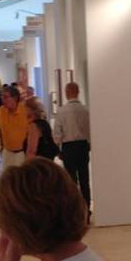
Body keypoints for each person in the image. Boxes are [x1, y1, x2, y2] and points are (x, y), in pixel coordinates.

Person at [53, 82, 91, 211]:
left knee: (71, 180)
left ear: (66, 93)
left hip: (68, 147)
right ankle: (86, 209)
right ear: (78, 92)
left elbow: (57, 133)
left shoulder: (61, 111)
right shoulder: (85, 110)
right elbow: (90, 130)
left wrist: (59, 148)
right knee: (84, 179)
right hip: (83, 146)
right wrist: (89, 144)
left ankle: (75, 210)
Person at [0, 85, 28, 169]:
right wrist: (1, 147)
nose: (2, 100)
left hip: (22, 153)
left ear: (15, 98)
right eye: (2, 97)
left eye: (5, 97)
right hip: (7, 152)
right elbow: (1, 130)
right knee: (7, 175)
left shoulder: (25, 110)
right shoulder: (1, 110)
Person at [25, 97, 59, 162]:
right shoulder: (45, 123)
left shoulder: (34, 126)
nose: (24, 111)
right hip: (48, 162)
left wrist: (27, 165)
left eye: (25, 109)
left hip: (38, 163)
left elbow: (31, 151)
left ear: (30, 110)